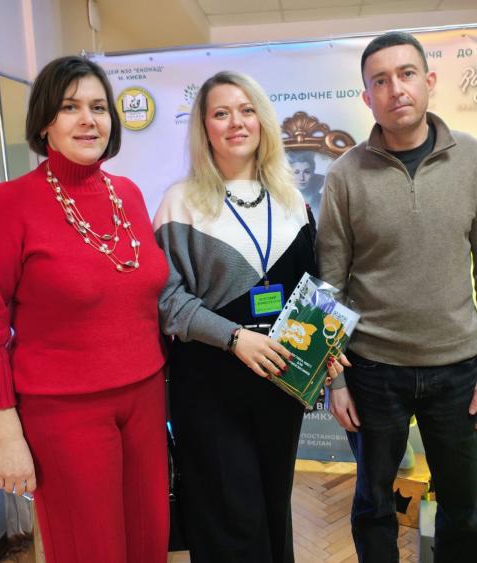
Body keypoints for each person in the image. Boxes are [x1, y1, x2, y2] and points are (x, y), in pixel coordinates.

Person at [0, 56, 169, 563]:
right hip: (64, 412)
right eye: (70, 107)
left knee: (149, 542)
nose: (88, 120)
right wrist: (7, 437)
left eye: (99, 107)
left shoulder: (128, 195)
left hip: (144, 398)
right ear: (44, 123)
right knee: (89, 549)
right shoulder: (9, 203)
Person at [318, 32, 477, 562]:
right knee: (373, 505)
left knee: (462, 508)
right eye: (380, 81)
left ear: (428, 81)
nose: (396, 89)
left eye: (406, 74)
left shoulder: (476, 161)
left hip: (457, 371)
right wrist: (336, 379)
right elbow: (330, 284)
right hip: (371, 371)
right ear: (367, 97)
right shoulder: (344, 175)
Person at [154, 70, 346, 563]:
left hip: (280, 382)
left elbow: (312, 288)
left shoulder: (292, 201)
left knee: (273, 508)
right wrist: (235, 338)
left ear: (262, 120)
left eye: (246, 110)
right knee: (228, 519)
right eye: (221, 113)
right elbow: (167, 300)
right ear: (204, 127)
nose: (236, 122)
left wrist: (325, 347)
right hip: (210, 384)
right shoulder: (180, 203)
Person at [288, 151, 325, 216]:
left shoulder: (322, 199)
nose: (302, 178)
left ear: (312, 172)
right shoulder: (284, 198)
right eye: (296, 172)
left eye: (306, 172)